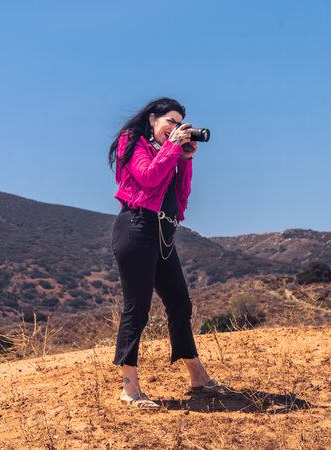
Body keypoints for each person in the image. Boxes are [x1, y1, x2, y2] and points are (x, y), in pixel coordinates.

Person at [108, 97, 221, 408]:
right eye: (170, 121)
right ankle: (130, 389)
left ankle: (198, 377)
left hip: (163, 234)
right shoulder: (131, 141)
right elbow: (147, 177)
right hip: (136, 228)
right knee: (138, 308)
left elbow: (180, 199)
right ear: (153, 119)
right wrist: (171, 148)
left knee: (180, 304)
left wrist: (184, 159)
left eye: (179, 123)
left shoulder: (169, 154)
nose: (175, 127)